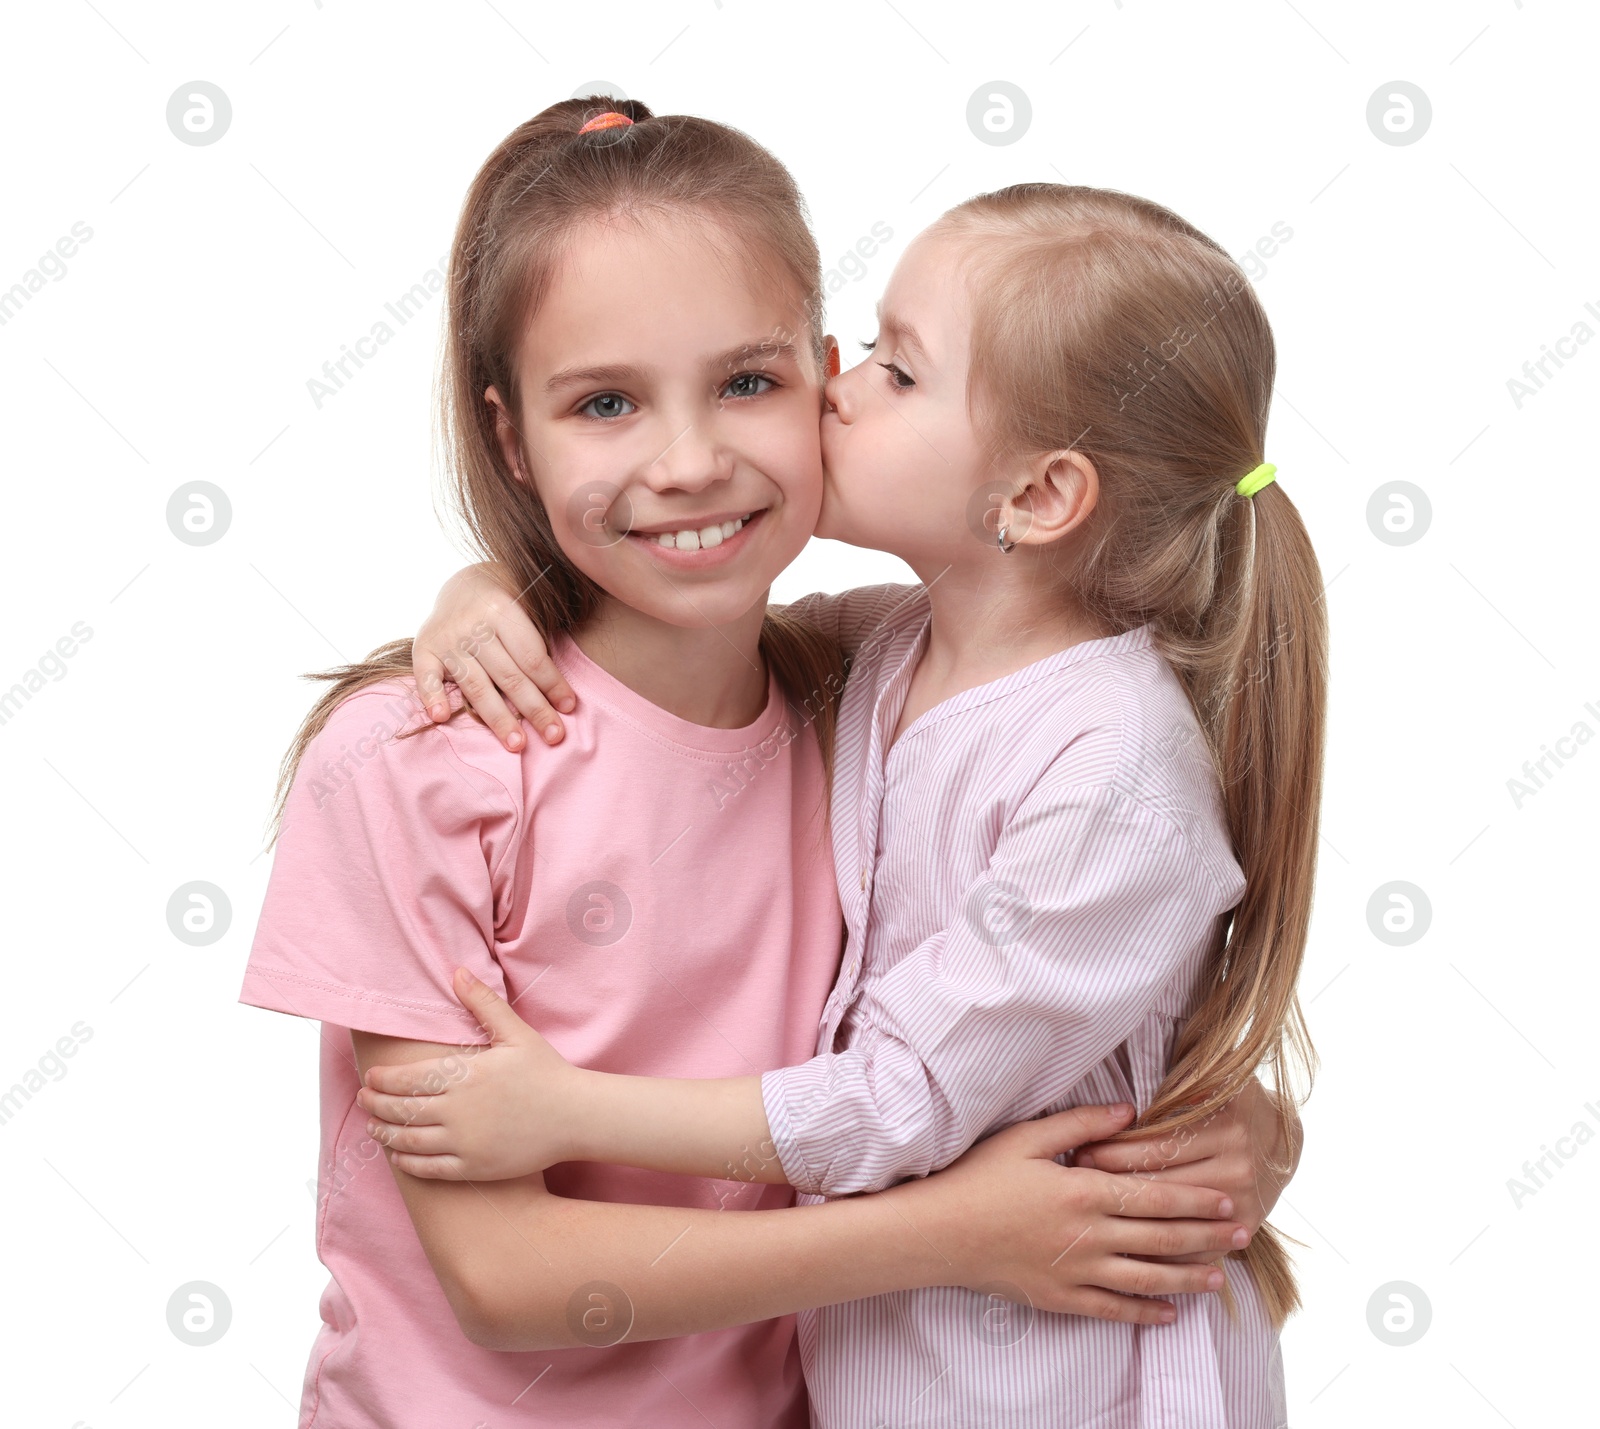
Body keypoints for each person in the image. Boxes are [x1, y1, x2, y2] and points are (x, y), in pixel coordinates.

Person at [240, 102, 1284, 1429]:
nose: (690, 462)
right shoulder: (412, 763)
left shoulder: (856, 702)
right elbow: (503, 1276)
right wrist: (960, 1233)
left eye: (748, 382)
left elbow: (1045, 995)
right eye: (605, 402)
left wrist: (1243, 1128)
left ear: (821, 379)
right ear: (513, 442)